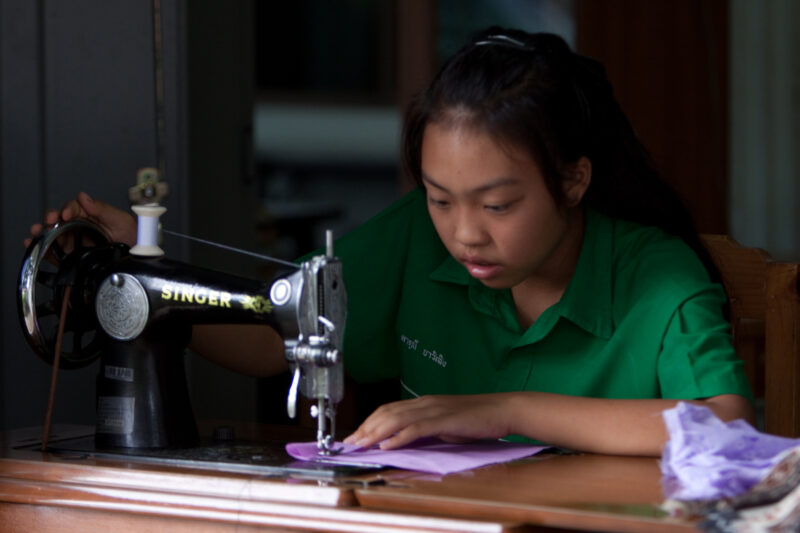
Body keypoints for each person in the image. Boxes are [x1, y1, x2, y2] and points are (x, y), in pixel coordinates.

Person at [26, 28, 753, 456]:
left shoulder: (656, 275)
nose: (465, 231)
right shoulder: (416, 241)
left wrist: (499, 408)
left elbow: (725, 424)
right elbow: (280, 335)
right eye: (441, 199)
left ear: (573, 179)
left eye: (498, 203)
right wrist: (138, 276)